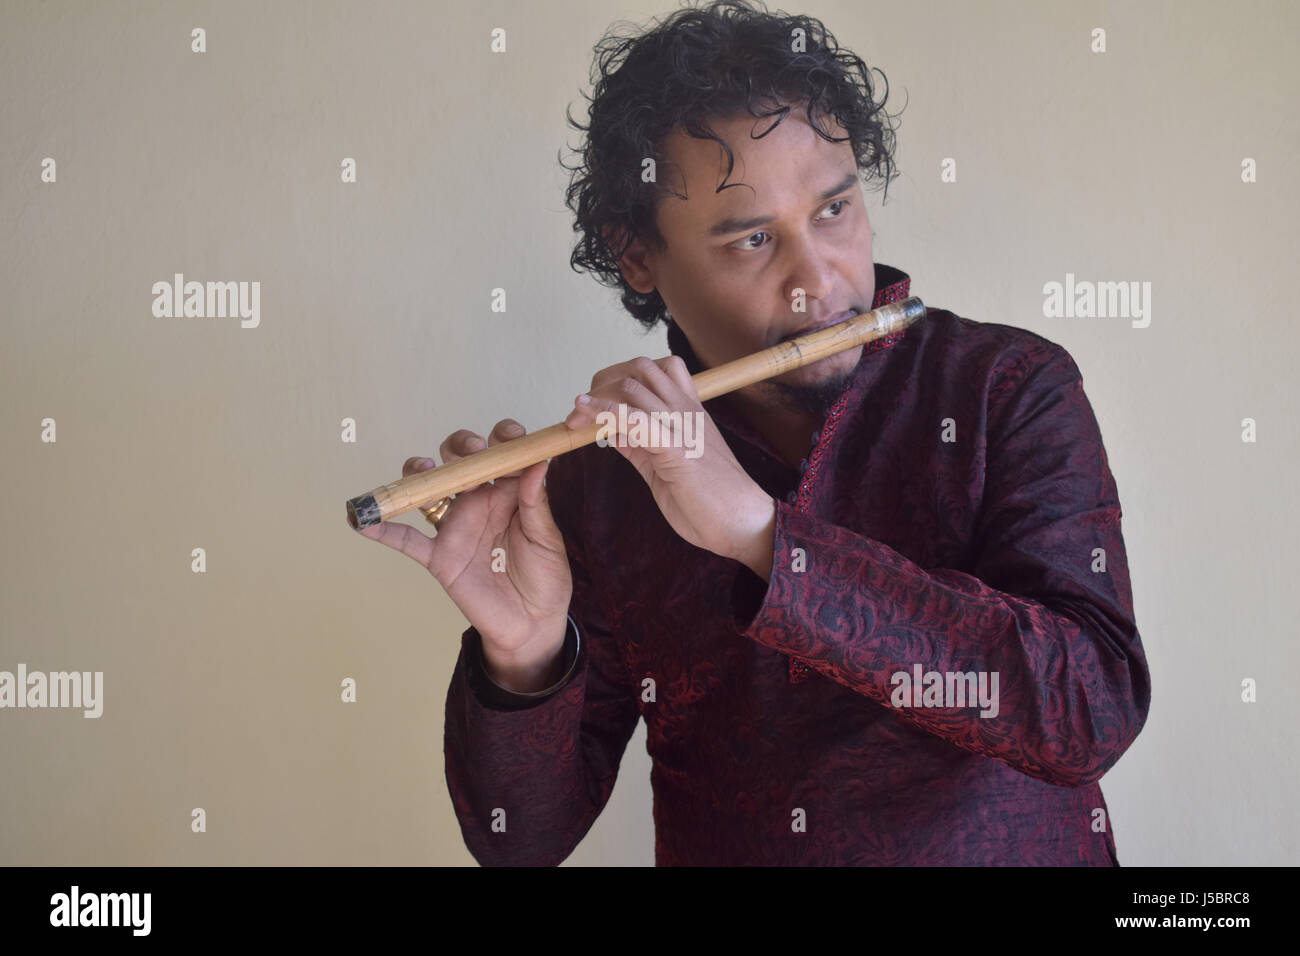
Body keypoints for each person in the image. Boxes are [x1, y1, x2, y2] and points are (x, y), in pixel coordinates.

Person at [354, 0, 1150, 865]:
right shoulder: (597, 481)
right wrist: (526, 655)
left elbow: (1088, 711)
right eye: (752, 240)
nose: (818, 282)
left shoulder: (1007, 387)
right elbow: (523, 841)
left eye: (836, 210)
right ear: (639, 256)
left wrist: (761, 536)